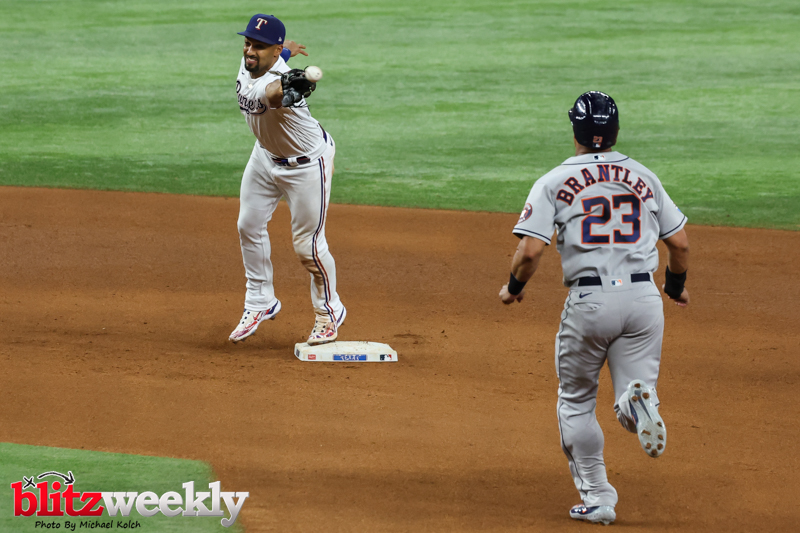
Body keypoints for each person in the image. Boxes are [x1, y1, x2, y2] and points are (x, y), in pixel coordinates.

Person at [498, 91, 690, 525]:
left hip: (590, 302)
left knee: (576, 401)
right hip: (644, 300)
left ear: (575, 131)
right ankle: (635, 403)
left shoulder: (553, 181)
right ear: (617, 130)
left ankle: (599, 497)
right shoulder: (644, 176)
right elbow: (679, 243)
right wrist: (675, 287)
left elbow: (530, 252)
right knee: (632, 393)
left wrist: (513, 288)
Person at [228, 14, 346, 345]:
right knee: (248, 225)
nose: (249, 51)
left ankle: (329, 311)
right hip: (265, 156)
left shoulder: (272, 85)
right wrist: (287, 51)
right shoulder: (253, 61)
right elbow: (274, 61)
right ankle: (260, 301)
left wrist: (286, 83)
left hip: (306, 167)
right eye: (248, 43)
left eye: (259, 46)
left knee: (308, 248)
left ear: (273, 49)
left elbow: (272, 93)